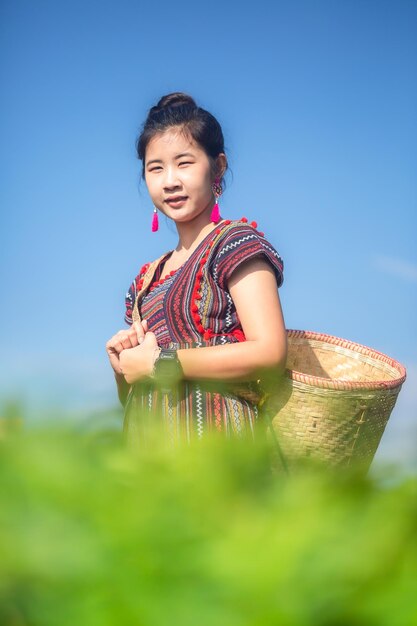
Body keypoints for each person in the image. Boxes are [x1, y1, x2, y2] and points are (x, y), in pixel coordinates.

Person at [106, 92, 287, 447]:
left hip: (219, 453)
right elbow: (132, 399)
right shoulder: (145, 280)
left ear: (217, 166)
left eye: (184, 163)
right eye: (155, 167)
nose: (169, 180)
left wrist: (162, 363)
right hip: (148, 460)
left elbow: (269, 353)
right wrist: (123, 369)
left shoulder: (235, 243)